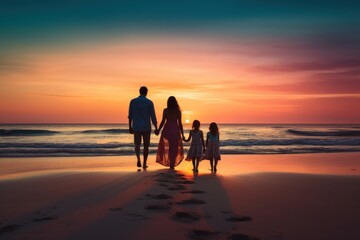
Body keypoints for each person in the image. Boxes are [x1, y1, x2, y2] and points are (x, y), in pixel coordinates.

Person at [128, 86, 158, 169]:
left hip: (136, 126)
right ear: (146, 92)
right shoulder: (149, 102)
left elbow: (130, 115)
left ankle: (138, 159)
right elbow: (153, 116)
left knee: (137, 145)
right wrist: (156, 127)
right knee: (146, 146)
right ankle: (144, 163)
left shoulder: (133, 101)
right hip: (146, 127)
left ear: (139, 91)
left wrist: (130, 126)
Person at [155, 96, 185, 170]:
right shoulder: (178, 111)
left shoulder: (165, 110)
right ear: (175, 102)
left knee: (168, 147)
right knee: (174, 147)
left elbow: (163, 121)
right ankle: (172, 163)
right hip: (174, 129)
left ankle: (170, 162)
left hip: (167, 129)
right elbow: (180, 123)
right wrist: (182, 133)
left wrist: (159, 129)